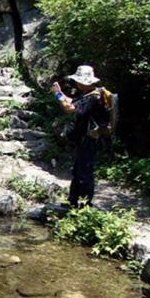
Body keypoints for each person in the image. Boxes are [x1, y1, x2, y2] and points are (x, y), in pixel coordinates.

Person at [50, 65, 110, 208]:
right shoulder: (88, 94)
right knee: (78, 170)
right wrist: (60, 93)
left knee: (84, 172)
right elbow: (73, 102)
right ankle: (73, 201)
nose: (76, 83)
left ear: (84, 82)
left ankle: (85, 205)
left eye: (77, 81)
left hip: (89, 139)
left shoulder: (93, 98)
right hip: (85, 139)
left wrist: (58, 96)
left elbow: (68, 108)